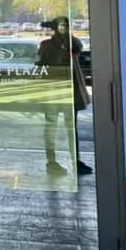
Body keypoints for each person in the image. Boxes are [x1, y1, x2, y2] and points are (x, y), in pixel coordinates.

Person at [37, 17, 93, 176]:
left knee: (71, 128)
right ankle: (51, 161)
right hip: (53, 91)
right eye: (61, 27)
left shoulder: (71, 43)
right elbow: (42, 63)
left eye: (66, 27)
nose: (64, 29)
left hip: (69, 90)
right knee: (51, 127)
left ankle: (76, 160)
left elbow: (78, 47)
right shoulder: (47, 45)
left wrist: (66, 37)